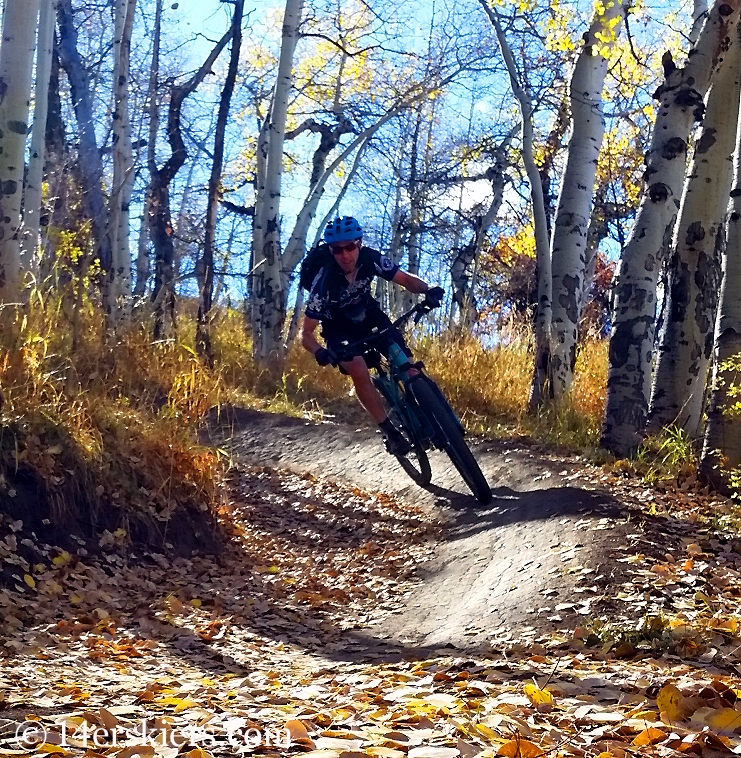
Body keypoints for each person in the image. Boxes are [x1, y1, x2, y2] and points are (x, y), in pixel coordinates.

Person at [301, 216, 444, 456]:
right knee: (357, 368)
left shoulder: (370, 258)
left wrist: (428, 290)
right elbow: (306, 333)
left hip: (370, 316)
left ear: (359, 244)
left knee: (408, 366)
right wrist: (320, 351)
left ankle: (435, 417)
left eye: (350, 247)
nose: (345, 254)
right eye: (337, 250)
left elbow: (406, 279)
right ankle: (389, 431)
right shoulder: (323, 282)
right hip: (338, 328)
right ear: (330, 250)